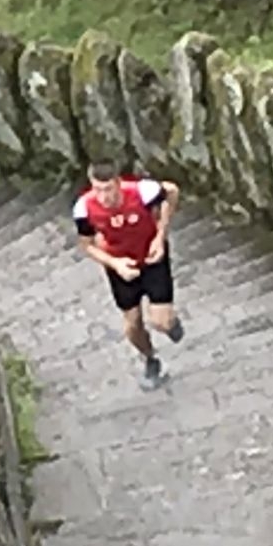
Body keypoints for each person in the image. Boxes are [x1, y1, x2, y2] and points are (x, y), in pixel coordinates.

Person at [74, 161, 185, 389]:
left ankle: (171, 323)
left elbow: (171, 193)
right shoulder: (84, 208)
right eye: (97, 189)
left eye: (108, 189)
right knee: (132, 324)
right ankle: (150, 358)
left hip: (151, 258)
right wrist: (115, 264)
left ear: (118, 182)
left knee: (161, 322)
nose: (103, 196)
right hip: (121, 266)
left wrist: (160, 237)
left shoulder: (143, 191)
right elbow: (87, 245)